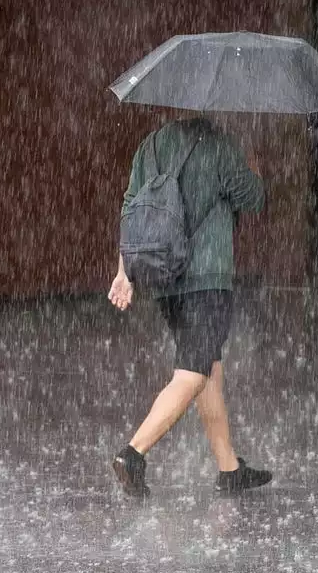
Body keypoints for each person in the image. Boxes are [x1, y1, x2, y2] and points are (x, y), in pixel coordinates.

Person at [108, 113, 272, 497]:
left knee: (207, 368)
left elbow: (130, 211)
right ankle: (133, 453)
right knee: (194, 372)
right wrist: (254, 169)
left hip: (166, 279)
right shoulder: (220, 145)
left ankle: (229, 469)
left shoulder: (150, 146)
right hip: (207, 279)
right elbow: (253, 198)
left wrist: (124, 272)